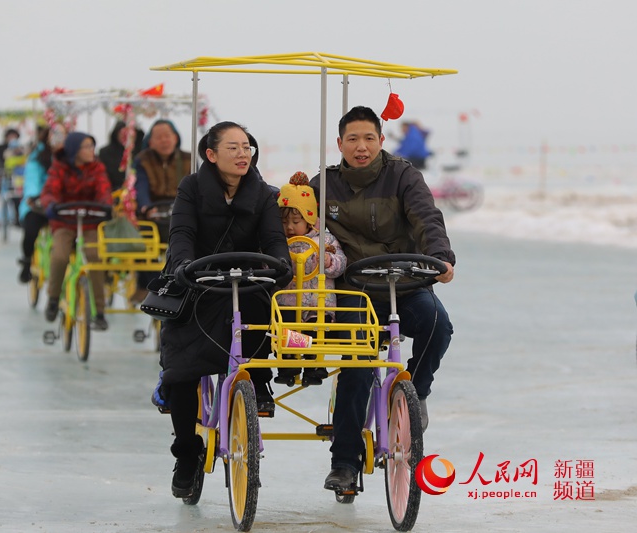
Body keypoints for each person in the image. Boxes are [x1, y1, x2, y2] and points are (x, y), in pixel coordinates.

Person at [309, 106, 455, 494]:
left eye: (369, 138)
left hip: (402, 282)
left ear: (381, 140)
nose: (361, 147)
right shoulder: (322, 184)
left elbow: (427, 218)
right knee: (357, 369)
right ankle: (344, 463)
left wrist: (441, 256)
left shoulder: (404, 175)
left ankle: (416, 391)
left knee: (438, 324)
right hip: (353, 290)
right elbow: (298, 223)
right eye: (353, 139)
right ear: (339, 144)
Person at [159, 121, 291, 499]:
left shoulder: (265, 195)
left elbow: (274, 239)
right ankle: (186, 452)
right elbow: (181, 234)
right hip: (199, 285)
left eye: (247, 146)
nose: (242, 153)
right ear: (211, 154)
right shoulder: (191, 188)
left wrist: (279, 265)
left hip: (248, 283)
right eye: (233, 147)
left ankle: (258, 381)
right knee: (181, 366)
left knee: (262, 309)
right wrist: (183, 265)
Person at [274, 171, 347, 387]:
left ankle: (315, 366)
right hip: (287, 302)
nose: (289, 227)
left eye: (295, 221)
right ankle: (288, 366)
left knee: (315, 331)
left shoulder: (325, 240)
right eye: (284, 221)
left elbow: (341, 264)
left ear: (309, 219)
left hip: (318, 302)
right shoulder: (278, 242)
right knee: (287, 333)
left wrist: (328, 261)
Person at [40, 131, 113, 330]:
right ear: (75, 151)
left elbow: (104, 189)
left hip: (90, 222)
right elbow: (49, 192)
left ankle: (99, 311)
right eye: (87, 147)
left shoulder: (97, 167)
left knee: (95, 257)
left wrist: (106, 205)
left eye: (92, 146)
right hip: (64, 222)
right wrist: (52, 205)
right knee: (60, 256)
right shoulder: (59, 168)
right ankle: (53, 298)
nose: (91, 151)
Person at [131, 119, 192, 304]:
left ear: (175, 138)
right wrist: (146, 206)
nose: (164, 141)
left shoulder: (188, 159)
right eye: (159, 137)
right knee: (142, 242)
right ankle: (146, 284)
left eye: (167, 136)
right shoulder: (142, 160)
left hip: (180, 211)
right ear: (150, 141)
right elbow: (140, 187)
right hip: (153, 214)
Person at [17, 124, 65, 283]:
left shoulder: (71, 156)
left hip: (64, 205)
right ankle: (26, 261)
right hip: (38, 205)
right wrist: (34, 196)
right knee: (31, 227)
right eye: (56, 136)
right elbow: (32, 180)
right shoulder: (37, 157)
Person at [98, 120, 145, 191]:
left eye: (131, 133)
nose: (127, 136)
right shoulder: (105, 153)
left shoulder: (143, 152)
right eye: (123, 133)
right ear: (116, 134)